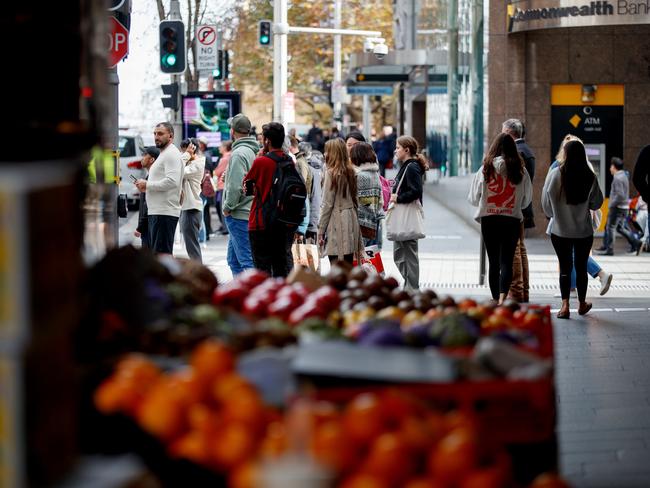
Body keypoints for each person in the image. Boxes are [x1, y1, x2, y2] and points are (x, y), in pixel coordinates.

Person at [542, 140, 604, 318]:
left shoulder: (555, 174)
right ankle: (582, 304)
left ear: (565, 154)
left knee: (565, 268)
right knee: (581, 266)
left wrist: (556, 212)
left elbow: (546, 206)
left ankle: (565, 306)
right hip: (583, 232)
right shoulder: (589, 176)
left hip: (559, 231)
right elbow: (597, 202)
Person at [468, 133, 532, 304]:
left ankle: (496, 298)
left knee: (493, 261)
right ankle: (504, 296)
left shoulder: (485, 169)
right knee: (507, 261)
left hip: (489, 221)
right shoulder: (521, 170)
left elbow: (473, 198)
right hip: (511, 220)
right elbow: (526, 201)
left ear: (494, 147)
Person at [549, 135, 613, 296]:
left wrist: (552, 213)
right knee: (577, 254)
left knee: (569, 255)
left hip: (562, 221)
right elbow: (596, 199)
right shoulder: (588, 168)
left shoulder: (557, 168)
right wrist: (590, 210)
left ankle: (599, 274)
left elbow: (547, 196)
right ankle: (573, 288)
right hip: (583, 221)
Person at [245, 122, 301, 276]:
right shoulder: (289, 160)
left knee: (262, 270)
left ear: (267, 141)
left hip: (261, 222)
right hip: (284, 222)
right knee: (282, 266)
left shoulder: (261, 162)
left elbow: (247, 187)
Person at [135, 122, 184, 255]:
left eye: (161, 134)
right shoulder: (165, 153)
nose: (157, 137)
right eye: (155, 134)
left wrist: (147, 185)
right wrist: (147, 187)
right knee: (158, 257)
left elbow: (172, 181)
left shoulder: (171, 154)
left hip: (164, 213)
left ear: (171, 136)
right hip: (158, 212)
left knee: (162, 257)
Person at [502, 119, 535, 302]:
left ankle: (516, 292)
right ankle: (523, 291)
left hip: (515, 207)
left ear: (508, 132)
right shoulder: (527, 150)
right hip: (523, 206)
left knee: (514, 249)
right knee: (520, 249)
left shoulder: (517, 152)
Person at [390, 135, 429, 290]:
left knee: (408, 255)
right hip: (403, 217)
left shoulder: (411, 167)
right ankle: (409, 285)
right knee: (399, 254)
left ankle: (412, 288)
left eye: (398, 148)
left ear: (406, 150)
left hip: (407, 217)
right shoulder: (407, 166)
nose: (395, 151)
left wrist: (398, 198)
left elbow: (416, 191)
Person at [318, 138, 364, 264]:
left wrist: (320, 230)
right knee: (349, 261)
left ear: (333, 153)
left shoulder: (331, 173)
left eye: (327, 151)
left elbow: (327, 204)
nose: (325, 154)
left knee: (336, 263)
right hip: (351, 218)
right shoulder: (352, 171)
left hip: (336, 220)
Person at [222, 114, 257, 276]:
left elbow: (236, 187)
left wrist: (228, 207)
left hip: (239, 214)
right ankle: (241, 291)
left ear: (233, 131)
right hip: (248, 211)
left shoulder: (238, 154)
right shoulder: (253, 151)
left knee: (245, 261)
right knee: (234, 261)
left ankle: (251, 295)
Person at [350, 142, 384, 246]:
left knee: (360, 261)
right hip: (374, 223)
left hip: (362, 227)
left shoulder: (360, 176)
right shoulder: (374, 174)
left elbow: (361, 205)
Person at [596, 157, 630, 255]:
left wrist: (611, 204)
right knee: (613, 227)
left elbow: (620, 194)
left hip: (618, 207)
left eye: (611, 166)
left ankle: (609, 249)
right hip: (622, 207)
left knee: (611, 227)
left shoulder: (618, 178)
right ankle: (605, 246)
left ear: (614, 167)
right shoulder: (623, 176)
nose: (610, 168)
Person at [179, 138, 205, 262]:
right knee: (191, 246)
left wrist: (186, 156)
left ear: (192, 150)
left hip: (192, 209)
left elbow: (178, 172)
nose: (183, 155)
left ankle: (198, 274)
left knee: (192, 247)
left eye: (185, 152)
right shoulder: (190, 163)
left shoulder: (197, 164)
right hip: (188, 208)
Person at [133, 146, 160, 249]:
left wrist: (140, 227)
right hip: (149, 225)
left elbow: (148, 204)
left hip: (149, 225)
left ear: (152, 159)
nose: (142, 158)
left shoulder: (152, 178)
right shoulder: (150, 176)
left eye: (144, 155)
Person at [304, 144, 323, 242]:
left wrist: (312, 225)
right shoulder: (318, 169)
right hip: (313, 220)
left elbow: (316, 198)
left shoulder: (312, 170)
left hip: (311, 223)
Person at [213, 140, 232, 235]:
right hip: (225, 185)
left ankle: (225, 228)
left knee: (221, 207)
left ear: (225, 147)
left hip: (222, 186)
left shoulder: (225, 158)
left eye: (221, 146)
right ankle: (224, 227)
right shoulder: (230, 156)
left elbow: (217, 172)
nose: (219, 148)